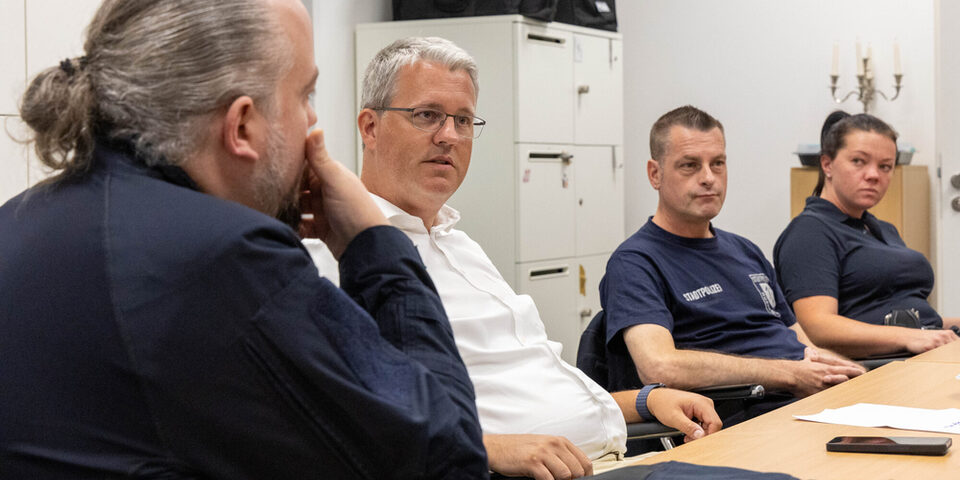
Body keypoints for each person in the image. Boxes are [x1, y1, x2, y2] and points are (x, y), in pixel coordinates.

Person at [0, 1, 488, 478]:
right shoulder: (224, 257)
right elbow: (446, 455)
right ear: (241, 126)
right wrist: (375, 243)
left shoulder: (18, 220)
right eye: (305, 97)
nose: (313, 124)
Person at [309, 38, 722, 480]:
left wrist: (644, 401)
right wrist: (483, 446)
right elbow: (340, 420)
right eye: (427, 115)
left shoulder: (460, 246)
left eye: (463, 120)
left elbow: (531, 383)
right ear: (370, 127)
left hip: (615, 457)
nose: (449, 135)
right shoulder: (338, 256)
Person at [598, 106, 866, 422]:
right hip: (746, 418)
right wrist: (788, 374)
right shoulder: (636, 263)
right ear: (655, 174)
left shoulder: (745, 250)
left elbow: (802, 345)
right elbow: (660, 366)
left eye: (718, 164)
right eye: (689, 166)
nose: (709, 178)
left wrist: (855, 376)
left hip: (808, 405)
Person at [773, 111, 959, 359]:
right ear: (827, 164)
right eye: (859, 161)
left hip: (920, 353)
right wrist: (912, 337)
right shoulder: (809, 233)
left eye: (885, 166)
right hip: (880, 366)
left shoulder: (882, 229)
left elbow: (908, 316)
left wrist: (943, 327)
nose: (874, 175)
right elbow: (816, 327)